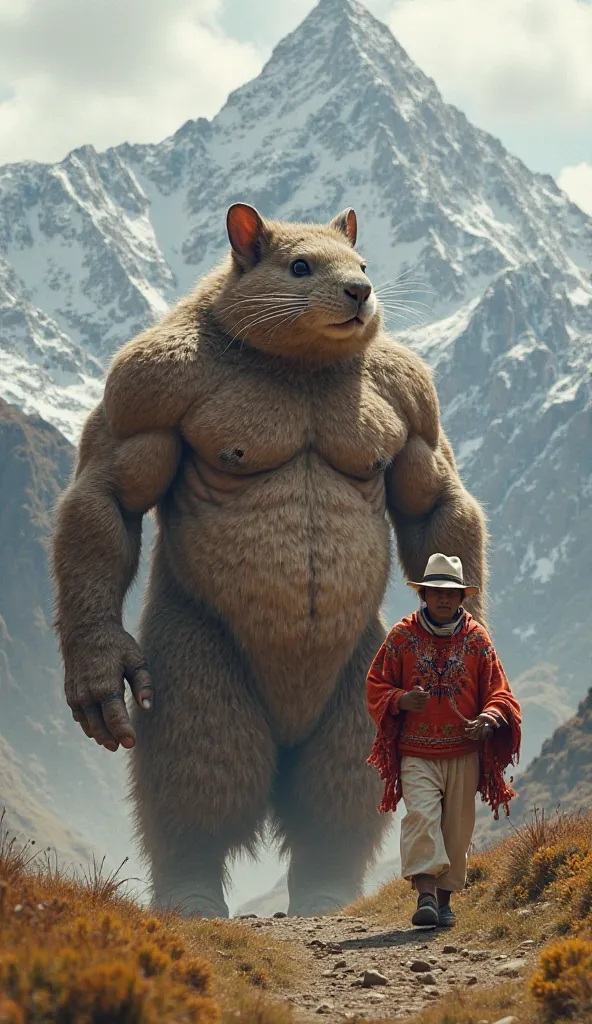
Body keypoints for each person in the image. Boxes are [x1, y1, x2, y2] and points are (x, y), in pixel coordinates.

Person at [366, 553, 521, 928]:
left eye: (451, 593)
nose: (444, 599)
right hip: (416, 752)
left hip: (464, 752)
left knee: (456, 828)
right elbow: (375, 685)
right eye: (436, 591)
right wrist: (400, 699)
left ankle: (445, 902)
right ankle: (425, 898)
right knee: (421, 817)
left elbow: (501, 692)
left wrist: (489, 717)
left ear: (462, 598)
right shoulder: (402, 636)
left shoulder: (477, 640)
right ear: (424, 595)